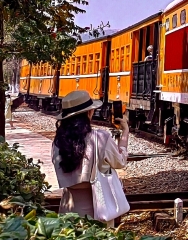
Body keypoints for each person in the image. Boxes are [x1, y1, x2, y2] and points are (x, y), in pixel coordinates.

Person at [52, 90, 130, 224]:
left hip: (68, 206)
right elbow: (120, 162)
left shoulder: (58, 142)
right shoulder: (100, 137)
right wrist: (125, 132)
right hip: (97, 206)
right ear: (89, 112)